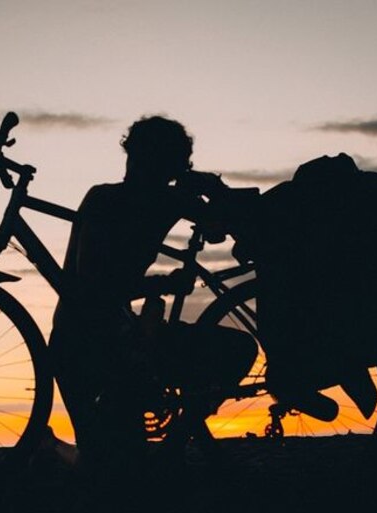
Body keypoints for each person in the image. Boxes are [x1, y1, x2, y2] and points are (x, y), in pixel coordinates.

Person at [49, 116, 256, 467]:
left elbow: (222, 225)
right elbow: (95, 287)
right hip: (90, 348)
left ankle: (165, 445)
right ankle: (59, 448)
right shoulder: (136, 200)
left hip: (97, 345)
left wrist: (209, 190)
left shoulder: (132, 199)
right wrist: (164, 283)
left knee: (111, 465)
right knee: (111, 468)